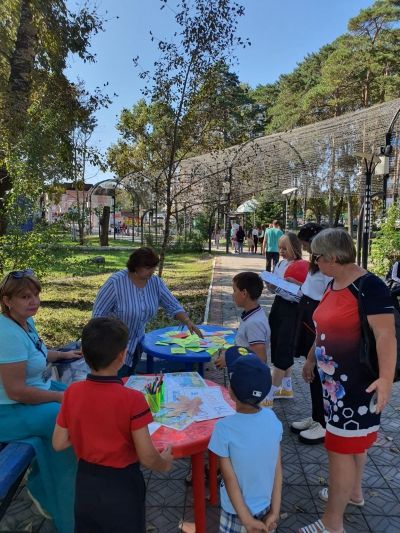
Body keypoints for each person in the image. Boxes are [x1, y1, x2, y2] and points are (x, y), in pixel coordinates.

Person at [298, 229, 396, 533]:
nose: (312, 261)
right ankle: (353, 493)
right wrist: (312, 358)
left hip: (356, 387)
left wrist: (386, 381)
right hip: (333, 386)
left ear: (331, 258)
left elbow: (386, 336)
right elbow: (323, 328)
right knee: (352, 445)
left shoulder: (369, 287)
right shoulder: (333, 282)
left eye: (315, 256)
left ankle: (332, 523)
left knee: (339, 450)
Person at [53, 317, 173, 533]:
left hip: (86, 483)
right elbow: (147, 456)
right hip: (122, 485)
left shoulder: (72, 392)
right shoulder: (133, 400)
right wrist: (164, 464)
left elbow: (59, 443)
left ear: (86, 355)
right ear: (121, 356)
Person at [0, 269, 82, 533]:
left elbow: (38, 354)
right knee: (65, 419)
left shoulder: (24, 322)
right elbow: (16, 392)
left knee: (83, 396)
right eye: (25, 296)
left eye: (35, 294)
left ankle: (46, 485)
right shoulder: (6, 334)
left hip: (36, 392)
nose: (33, 301)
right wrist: (59, 396)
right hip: (10, 409)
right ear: (7, 300)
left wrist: (64, 355)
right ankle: (62, 508)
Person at [92, 247, 202, 376]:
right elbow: (97, 315)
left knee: (129, 381)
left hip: (137, 343)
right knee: (113, 387)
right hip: (113, 348)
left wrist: (187, 321)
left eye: (154, 267)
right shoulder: (115, 283)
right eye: (148, 268)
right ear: (136, 266)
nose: (152, 271)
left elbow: (172, 304)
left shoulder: (154, 282)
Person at [209, 347, 282, 533]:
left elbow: (229, 478)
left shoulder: (223, 428)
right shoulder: (273, 419)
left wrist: (246, 520)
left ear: (230, 391)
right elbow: (277, 469)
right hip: (266, 509)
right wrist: (275, 510)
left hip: (235, 513)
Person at [290, 223, 332, 445]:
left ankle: (323, 423)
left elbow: (328, 294)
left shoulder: (328, 263)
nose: (306, 249)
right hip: (306, 315)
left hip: (317, 319)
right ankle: (316, 416)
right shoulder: (316, 263)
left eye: (307, 244)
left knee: (318, 368)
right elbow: (309, 288)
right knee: (311, 370)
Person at [264, 233, 309, 406]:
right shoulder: (281, 263)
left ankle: (269, 395)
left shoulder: (304, 266)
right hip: (278, 307)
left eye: (285, 248)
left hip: (293, 311)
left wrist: (292, 285)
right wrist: (271, 285)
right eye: (280, 248)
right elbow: (275, 290)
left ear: (295, 248)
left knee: (284, 347)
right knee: (277, 344)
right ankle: (286, 387)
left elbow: (303, 294)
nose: (281, 252)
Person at [215, 272, 270, 367]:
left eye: (234, 290)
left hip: (251, 379)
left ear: (244, 293)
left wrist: (229, 358)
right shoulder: (253, 314)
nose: (232, 295)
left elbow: (261, 359)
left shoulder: (254, 323)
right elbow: (247, 348)